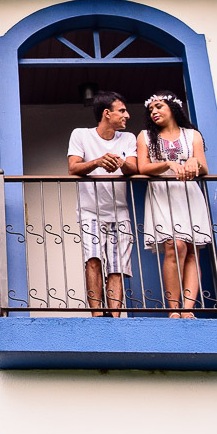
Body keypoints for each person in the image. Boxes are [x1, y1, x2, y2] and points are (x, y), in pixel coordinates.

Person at [136, 91, 211, 318]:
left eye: (159, 107)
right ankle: (173, 307)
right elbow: (143, 167)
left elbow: (204, 169)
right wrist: (168, 163)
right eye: (151, 110)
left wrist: (193, 161)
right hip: (163, 193)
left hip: (188, 194)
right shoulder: (145, 137)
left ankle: (188, 309)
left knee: (192, 251)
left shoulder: (192, 135)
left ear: (172, 108)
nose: (154, 112)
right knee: (174, 245)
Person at [67, 91, 137, 317]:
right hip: (90, 211)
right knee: (93, 259)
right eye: (122, 111)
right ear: (107, 113)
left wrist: (121, 163)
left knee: (117, 266)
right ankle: (97, 314)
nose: (127, 115)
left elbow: (133, 168)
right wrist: (98, 161)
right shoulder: (81, 135)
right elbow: (73, 168)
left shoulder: (128, 138)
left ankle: (114, 316)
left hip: (120, 212)